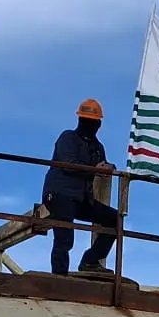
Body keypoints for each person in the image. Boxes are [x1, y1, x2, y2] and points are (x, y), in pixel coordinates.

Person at [42, 98, 118, 275]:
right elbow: (68, 164)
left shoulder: (97, 147)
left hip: (82, 198)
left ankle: (91, 261)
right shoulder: (68, 137)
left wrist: (109, 168)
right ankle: (59, 278)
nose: (89, 124)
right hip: (60, 195)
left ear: (98, 124)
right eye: (86, 121)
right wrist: (95, 169)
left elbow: (102, 164)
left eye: (92, 122)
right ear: (80, 120)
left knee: (114, 219)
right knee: (64, 239)